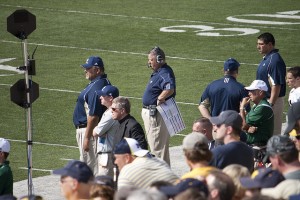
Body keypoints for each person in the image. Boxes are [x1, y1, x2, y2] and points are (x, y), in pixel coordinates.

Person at [73, 56, 111, 175]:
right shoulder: (101, 83)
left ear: (97, 70)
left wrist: (86, 138)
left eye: (88, 68)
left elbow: (93, 116)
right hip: (92, 130)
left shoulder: (96, 87)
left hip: (88, 131)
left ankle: (92, 193)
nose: (85, 70)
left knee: (89, 170)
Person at [141, 46, 176, 165]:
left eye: (151, 60)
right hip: (154, 114)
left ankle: (161, 178)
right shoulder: (160, 72)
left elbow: (169, 88)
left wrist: (161, 97)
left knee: (157, 149)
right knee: (158, 148)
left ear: (159, 59)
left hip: (156, 115)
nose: (149, 63)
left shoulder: (164, 72)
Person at [113, 137, 178, 189]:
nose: (115, 162)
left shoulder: (126, 172)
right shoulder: (160, 161)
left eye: (116, 158)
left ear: (127, 158)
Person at [256, 32, 286, 135]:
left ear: (270, 45)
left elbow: (276, 85)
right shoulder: (268, 58)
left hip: (272, 101)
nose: (258, 47)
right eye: (258, 44)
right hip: (266, 100)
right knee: (264, 131)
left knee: (272, 133)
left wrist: (271, 104)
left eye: (261, 44)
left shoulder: (274, 61)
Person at [92, 85, 120, 177]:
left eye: (103, 95)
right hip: (110, 154)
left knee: (104, 185)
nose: (100, 97)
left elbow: (96, 133)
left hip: (107, 156)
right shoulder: (113, 111)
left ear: (111, 98)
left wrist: (98, 129)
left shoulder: (110, 114)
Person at [240, 80, 274, 146]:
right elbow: (245, 123)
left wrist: (242, 108)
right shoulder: (257, 105)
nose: (249, 93)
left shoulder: (263, 108)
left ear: (260, 92)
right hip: (254, 144)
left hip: (259, 146)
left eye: (252, 91)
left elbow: (243, 125)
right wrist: (248, 127)